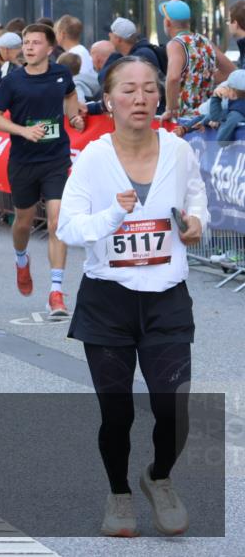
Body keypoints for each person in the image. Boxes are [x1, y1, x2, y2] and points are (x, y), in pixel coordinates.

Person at [57, 55, 206, 538]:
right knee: (116, 412)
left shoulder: (179, 151)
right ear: (109, 99)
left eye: (148, 89)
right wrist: (111, 219)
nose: (140, 98)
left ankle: (158, 477)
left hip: (165, 297)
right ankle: (119, 493)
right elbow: (67, 226)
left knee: (174, 410)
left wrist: (197, 223)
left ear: (159, 96)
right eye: (128, 90)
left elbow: (196, 195)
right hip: (109, 301)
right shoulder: (94, 158)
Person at [0, 23, 85, 316]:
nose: (28, 47)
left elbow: (69, 96)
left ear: (50, 49)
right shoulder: (12, 81)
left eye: (35, 43)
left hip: (55, 159)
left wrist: (74, 117)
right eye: (26, 43)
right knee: (23, 223)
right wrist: (21, 131)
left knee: (56, 222)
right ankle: (21, 259)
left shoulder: (61, 74)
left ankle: (56, 291)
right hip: (24, 161)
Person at [159, 0, 235, 120]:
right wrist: (205, 78)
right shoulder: (204, 41)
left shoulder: (175, 44)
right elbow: (231, 71)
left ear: (168, 23)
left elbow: (173, 78)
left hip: (185, 120)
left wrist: (170, 109)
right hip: (207, 117)